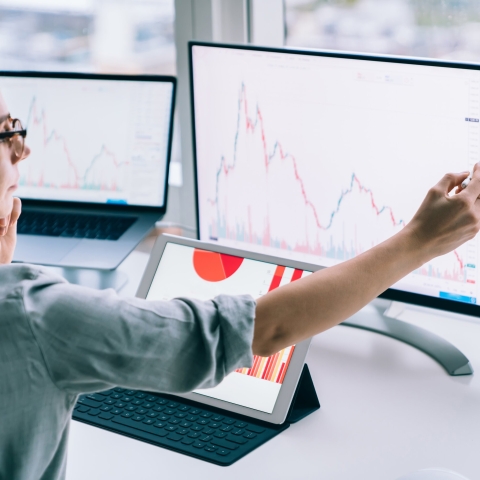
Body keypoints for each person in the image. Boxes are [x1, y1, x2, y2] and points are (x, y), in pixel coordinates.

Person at [1, 91, 480, 480]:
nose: (21, 149)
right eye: (4, 136)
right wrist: (420, 241)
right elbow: (262, 329)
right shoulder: (33, 316)